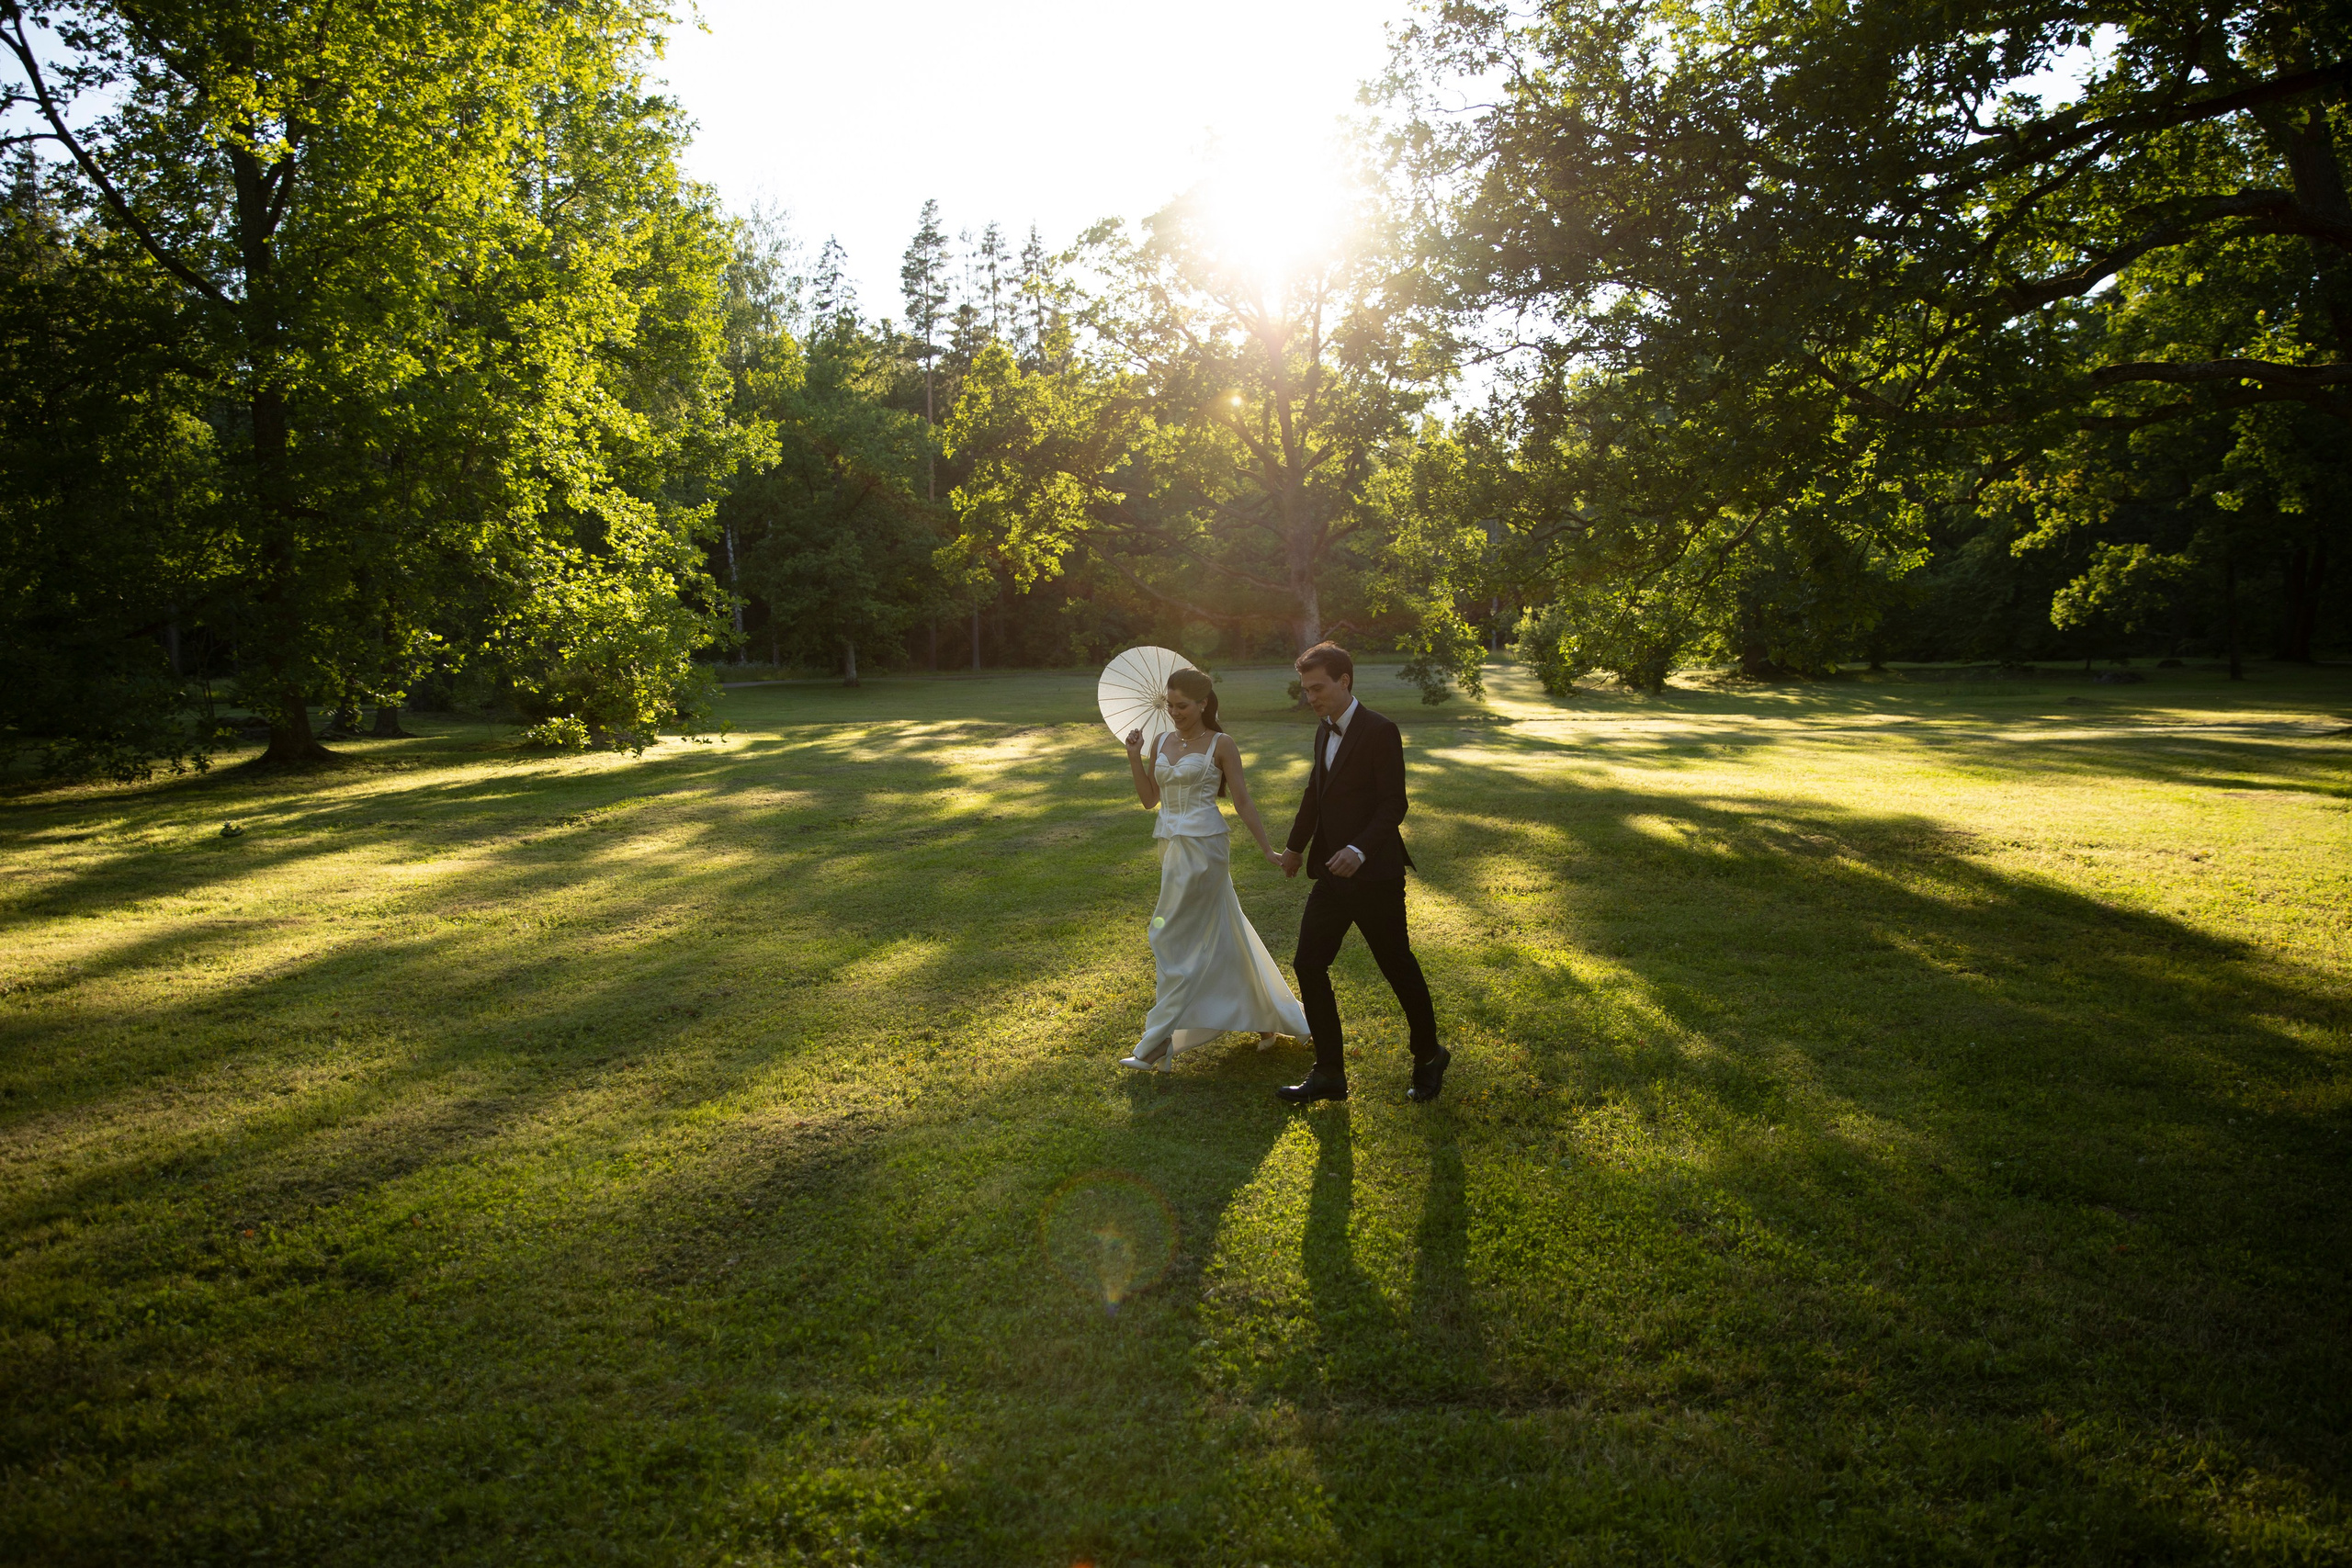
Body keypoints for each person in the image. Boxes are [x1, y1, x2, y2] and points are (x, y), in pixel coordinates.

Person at [1273, 642, 1447, 1104]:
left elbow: (1394, 803)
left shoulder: (1380, 730)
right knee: (1309, 964)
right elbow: (1315, 793)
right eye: (1306, 689)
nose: (1311, 697)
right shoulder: (1323, 730)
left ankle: (1429, 1055)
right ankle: (1329, 1072)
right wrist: (1295, 848)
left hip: (1375, 877)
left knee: (1397, 967)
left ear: (1344, 681)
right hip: (1331, 876)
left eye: (1318, 688)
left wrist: (1359, 849)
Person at [1120, 666, 1312, 1072]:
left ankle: (1158, 1043)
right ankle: (1266, 1018)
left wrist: (1267, 849)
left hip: (1205, 848)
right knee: (1223, 932)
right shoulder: (1161, 741)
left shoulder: (1221, 744)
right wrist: (1133, 757)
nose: (1175, 713)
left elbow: (1242, 800)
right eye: (1170, 705)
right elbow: (1149, 800)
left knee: (1171, 934)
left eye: (1183, 706)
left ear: (1203, 703)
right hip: (1171, 846)